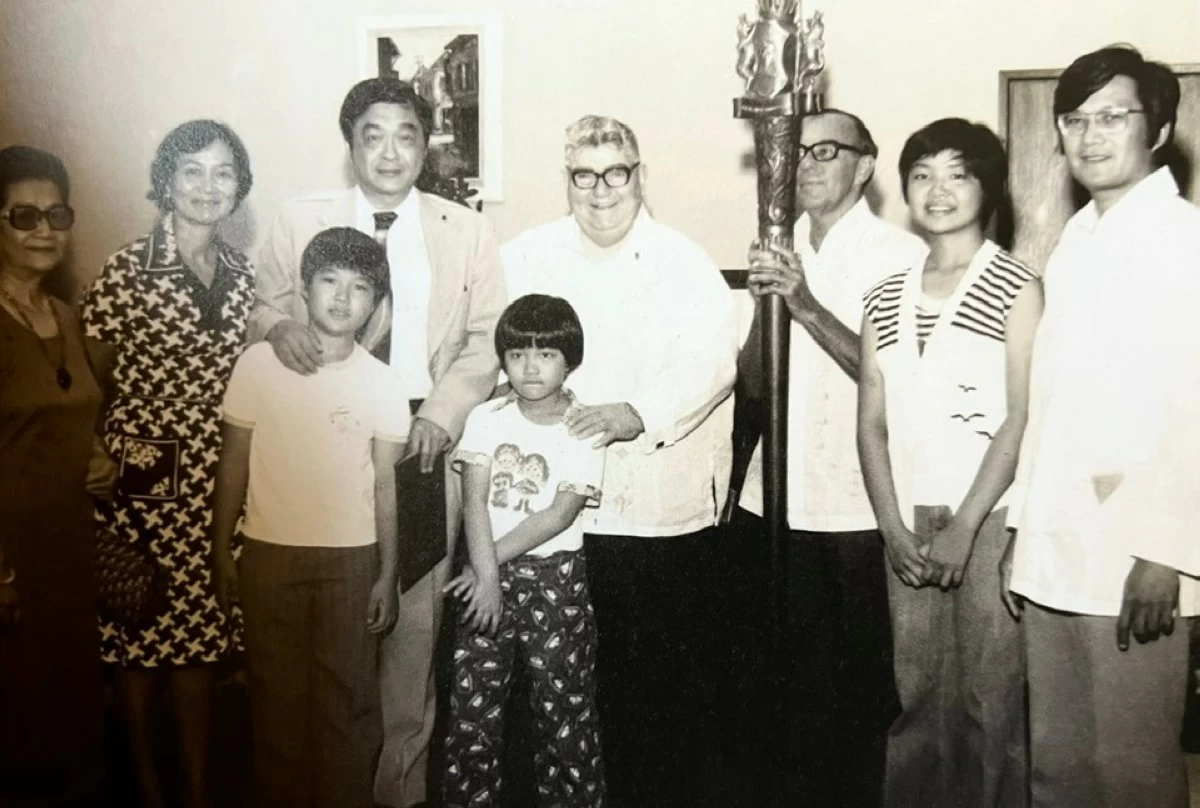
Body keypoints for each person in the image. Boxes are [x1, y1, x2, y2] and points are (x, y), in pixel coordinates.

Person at [250, 77, 505, 807]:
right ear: (350, 143)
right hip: (320, 443)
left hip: (421, 441)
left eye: (406, 135)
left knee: (412, 636)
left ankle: (399, 793)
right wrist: (278, 328)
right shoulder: (300, 221)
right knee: (328, 633)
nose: (390, 151)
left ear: (427, 145)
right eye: (372, 134)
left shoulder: (467, 229)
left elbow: (485, 341)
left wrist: (444, 414)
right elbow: (265, 308)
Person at [502, 115, 738, 806]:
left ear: (639, 175)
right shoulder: (528, 253)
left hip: (653, 508)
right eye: (585, 174)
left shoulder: (683, 259)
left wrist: (634, 414)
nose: (601, 190)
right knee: (559, 685)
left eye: (617, 173)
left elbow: (712, 364)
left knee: (650, 685)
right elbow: (493, 348)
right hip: (549, 513)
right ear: (567, 178)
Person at [1003, 45, 1200, 808]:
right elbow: (1050, 403)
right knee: (1057, 762)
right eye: (1075, 119)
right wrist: (1022, 525)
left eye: (1112, 116)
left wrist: (1166, 549)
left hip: (1136, 550)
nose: (1090, 135)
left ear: (1157, 127)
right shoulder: (1078, 239)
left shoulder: (1181, 238)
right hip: (1057, 540)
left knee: (1132, 769)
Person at [736, 109, 926, 806]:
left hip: (853, 507)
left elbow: (893, 383)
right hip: (776, 499)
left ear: (866, 165)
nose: (808, 165)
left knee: (858, 694)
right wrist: (766, 307)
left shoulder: (899, 255)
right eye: (798, 152)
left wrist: (804, 304)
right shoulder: (778, 246)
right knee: (781, 687)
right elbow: (754, 383)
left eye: (827, 150)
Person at [858, 119, 1042, 807]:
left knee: (988, 701)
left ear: (988, 186)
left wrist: (967, 526)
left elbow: (1021, 417)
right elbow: (871, 423)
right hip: (907, 518)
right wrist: (891, 527)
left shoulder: (1018, 285)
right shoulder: (885, 292)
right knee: (917, 698)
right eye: (922, 174)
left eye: (957, 173)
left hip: (987, 516)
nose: (938, 190)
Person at [81, 119, 256, 808]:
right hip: (139, 481)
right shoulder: (127, 269)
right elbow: (90, 383)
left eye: (222, 173)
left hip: (219, 481)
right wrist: (97, 457)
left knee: (203, 638)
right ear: (166, 182)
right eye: (192, 171)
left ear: (239, 187)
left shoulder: (246, 278)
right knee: (138, 636)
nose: (207, 187)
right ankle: (150, 791)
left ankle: (198, 786)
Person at [209, 227, 409, 807]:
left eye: (360, 287)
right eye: (329, 281)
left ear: (377, 305)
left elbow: (386, 487)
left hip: (352, 559)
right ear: (303, 288)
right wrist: (221, 551)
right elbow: (233, 465)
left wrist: (386, 574)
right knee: (275, 699)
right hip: (269, 554)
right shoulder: (257, 366)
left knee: (350, 700)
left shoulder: (382, 383)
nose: (343, 298)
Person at [442, 294, 606, 808]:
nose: (530, 367)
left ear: (569, 359)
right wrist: (486, 579)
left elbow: (557, 514)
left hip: (554, 582)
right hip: (483, 576)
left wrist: (487, 571)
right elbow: (474, 499)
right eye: (517, 355)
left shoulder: (584, 426)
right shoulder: (487, 418)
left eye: (546, 354)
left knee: (564, 712)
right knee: (473, 712)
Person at [0, 146, 108, 807]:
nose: (44, 229)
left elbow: (62, 420)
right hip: (11, 560)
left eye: (57, 213)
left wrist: (95, 458)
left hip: (67, 552)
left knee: (70, 729)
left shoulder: (65, 316)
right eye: (24, 215)